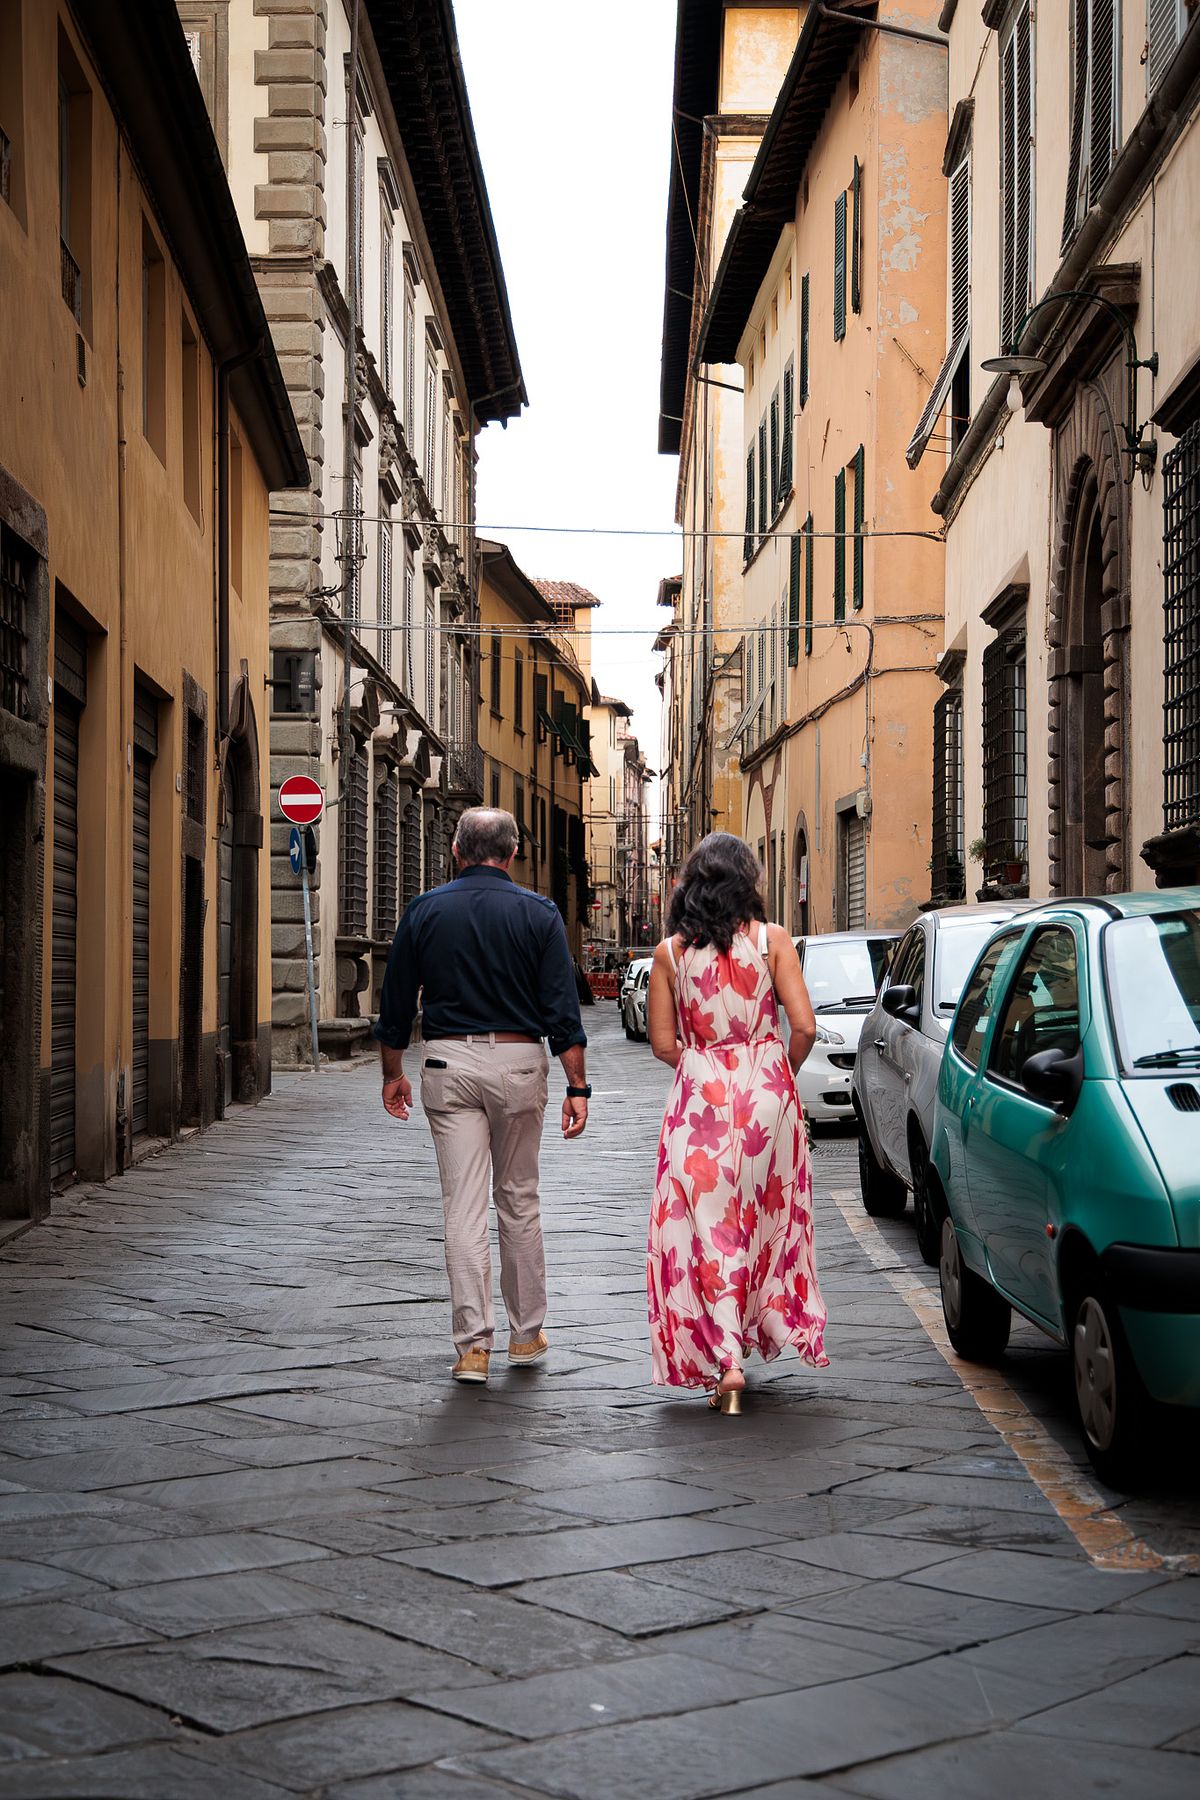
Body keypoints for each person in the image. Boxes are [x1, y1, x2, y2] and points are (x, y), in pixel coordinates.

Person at [375, 807, 590, 1386]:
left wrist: (392, 1071)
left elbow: (395, 1005)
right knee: (519, 1198)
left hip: (448, 1062)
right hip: (520, 1062)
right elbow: (561, 1009)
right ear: (513, 854)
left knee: (463, 1206)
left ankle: (473, 1347)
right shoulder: (539, 913)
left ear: (455, 850)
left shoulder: (423, 911)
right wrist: (577, 1084)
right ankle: (525, 1335)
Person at [646, 833, 828, 1414]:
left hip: (700, 1099)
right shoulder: (774, 941)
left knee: (702, 1228)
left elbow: (661, 1043)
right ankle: (760, 1328)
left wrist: (705, 1063)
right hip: (769, 1098)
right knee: (765, 1221)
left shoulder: (669, 955)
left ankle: (726, 1361)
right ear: (747, 880)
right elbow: (803, 1027)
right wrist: (777, 1073)